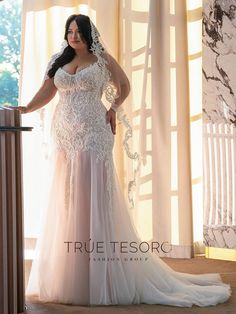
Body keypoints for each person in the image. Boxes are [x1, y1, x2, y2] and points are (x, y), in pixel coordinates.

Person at [18, 14, 231, 307]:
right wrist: (27, 108)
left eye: (79, 31)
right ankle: (70, 272)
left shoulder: (102, 59)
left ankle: (99, 276)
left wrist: (113, 108)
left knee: (93, 198)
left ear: (89, 34)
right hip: (64, 137)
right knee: (67, 200)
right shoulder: (58, 60)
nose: (74, 36)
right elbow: (47, 91)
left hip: (94, 133)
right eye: (70, 31)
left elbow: (125, 86)